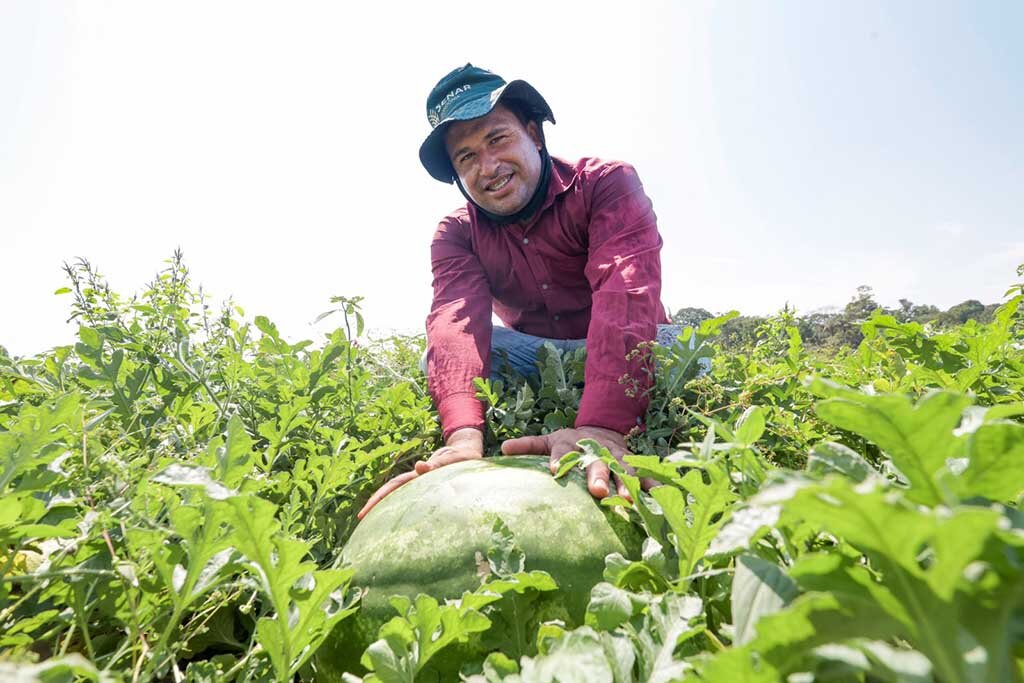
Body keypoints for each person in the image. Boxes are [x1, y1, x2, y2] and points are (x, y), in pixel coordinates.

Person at [357, 64, 669, 520]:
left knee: (686, 352)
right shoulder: (457, 233)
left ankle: (606, 410)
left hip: (625, 346)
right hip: (538, 358)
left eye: (497, 139)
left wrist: (603, 425)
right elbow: (455, 323)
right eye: (465, 157)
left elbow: (624, 293)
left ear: (533, 134)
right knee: (438, 356)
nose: (488, 167)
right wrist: (463, 435)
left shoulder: (606, 183)